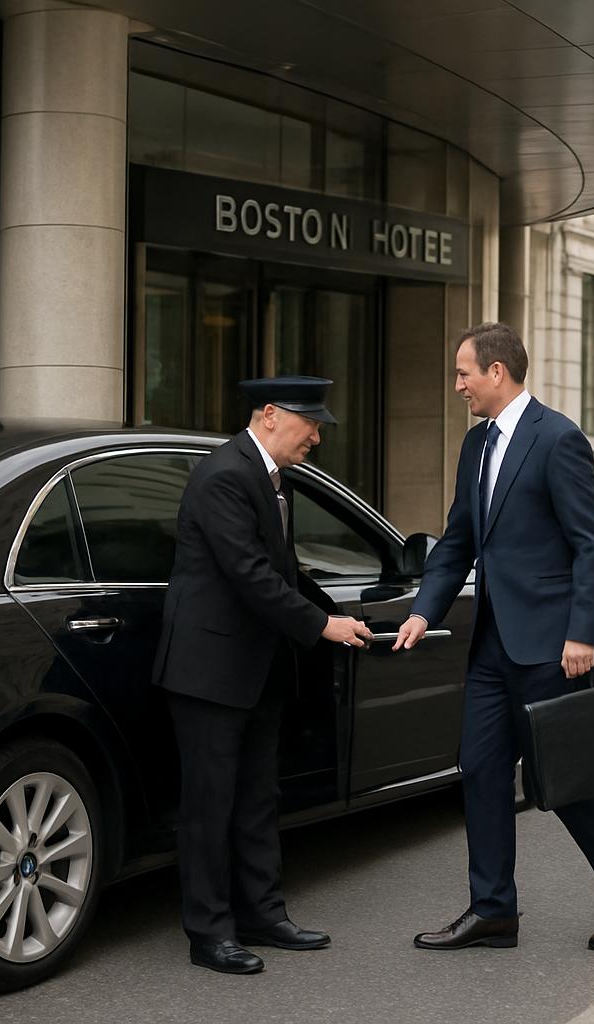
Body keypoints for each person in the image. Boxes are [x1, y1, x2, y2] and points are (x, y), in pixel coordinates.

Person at [393, 323, 594, 951]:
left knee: (558, 777)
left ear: (497, 373)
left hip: (549, 642)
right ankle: (493, 910)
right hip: (491, 643)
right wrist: (425, 611)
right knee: (481, 770)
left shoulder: (558, 438)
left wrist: (580, 632)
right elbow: (459, 537)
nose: (457, 384)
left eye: (464, 373)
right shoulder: (476, 444)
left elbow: (589, 545)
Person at [153, 376, 373, 975]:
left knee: (256, 798)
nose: (318, 437)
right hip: (208, 671)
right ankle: (209, 933)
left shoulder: (274, 479)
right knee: (210, 805)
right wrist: (320, 627)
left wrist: (335, 616)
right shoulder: (225, 475)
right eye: (312, 423)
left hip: (256, 668)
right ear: (272, 415)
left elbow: (282, 571)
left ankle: (263, 915)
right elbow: (250, 574)